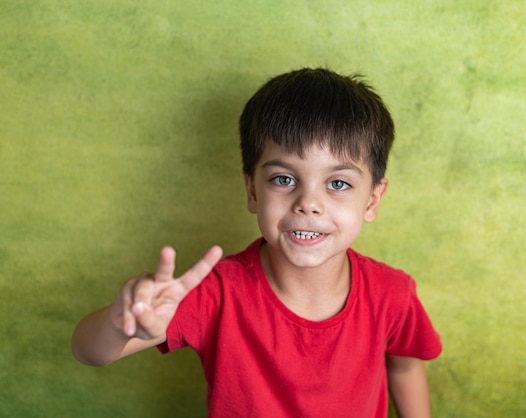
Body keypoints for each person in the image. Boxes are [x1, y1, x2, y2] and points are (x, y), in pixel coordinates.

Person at [72, 67, 442, 417]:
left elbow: (405, 367)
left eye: (338, 184)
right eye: (283, 179)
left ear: (373, 200)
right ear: (252, 190)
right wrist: (121, 326)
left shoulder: (393, 294)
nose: (308, 204)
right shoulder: (215, 293)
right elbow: (89, 352)